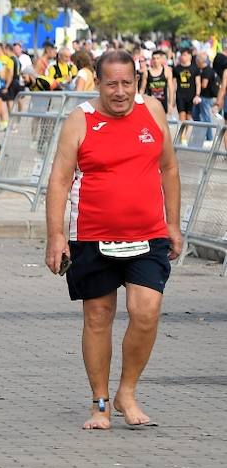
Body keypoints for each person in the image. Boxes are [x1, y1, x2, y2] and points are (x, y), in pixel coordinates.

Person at [44, 50, 180, 430]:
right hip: (91, 234)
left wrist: (174, 223)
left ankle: (127, 392)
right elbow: (59, 180)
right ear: (99, 84)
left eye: (127, 83)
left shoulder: (152, 111)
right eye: (111, 84)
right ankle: (100, 402)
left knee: (146, 310)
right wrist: (56, 236)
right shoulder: (81, 120)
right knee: (98, 316)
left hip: (148, 233)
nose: (119, 92)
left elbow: (168, 167)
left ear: (136, 82)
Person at [139, 48, 172, 114]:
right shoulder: (147, 72)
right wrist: (139, 102)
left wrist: (170, 104)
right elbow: (142, 89)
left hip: (163, 103)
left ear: (161, 60)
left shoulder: (167, 71)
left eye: (157, 58)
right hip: (151, 103)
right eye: (154, 58)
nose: (155, 60)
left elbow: (171, 89)